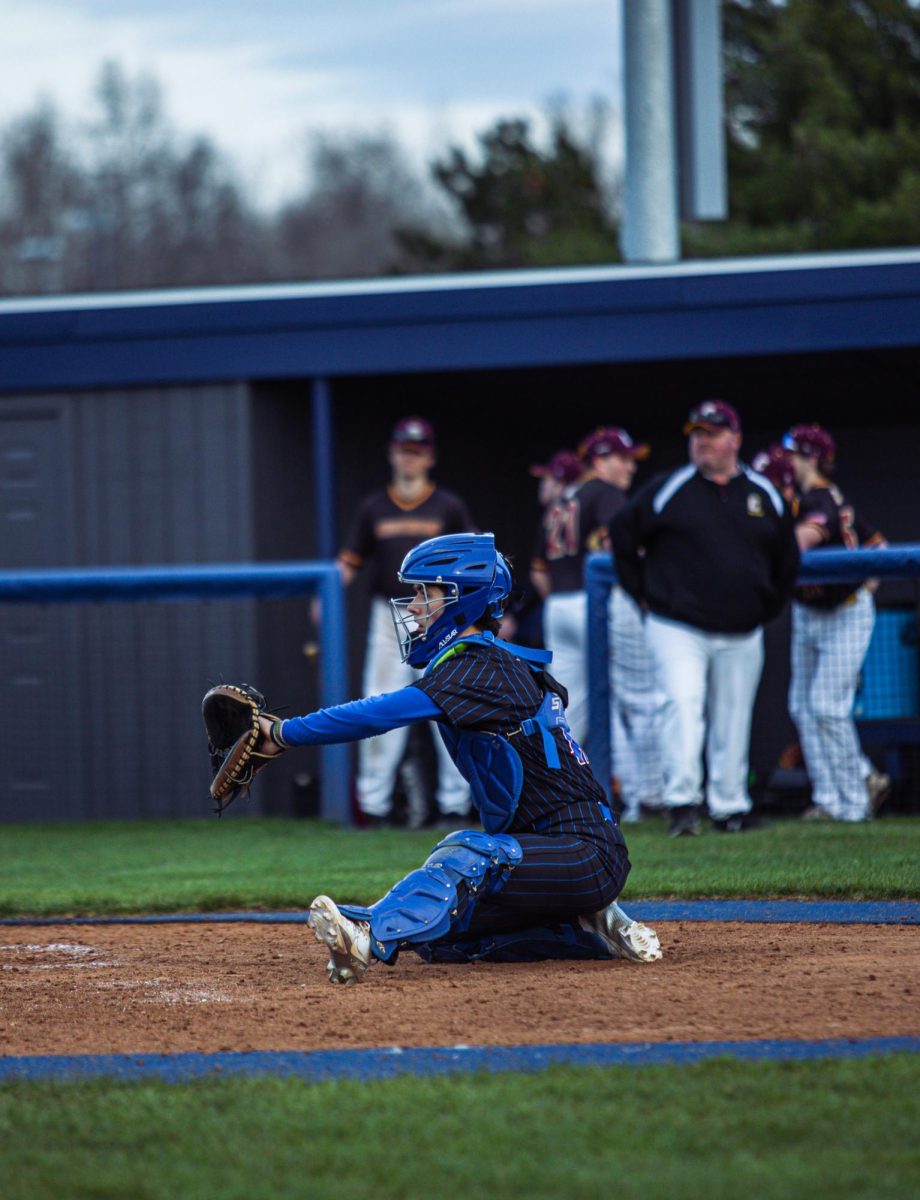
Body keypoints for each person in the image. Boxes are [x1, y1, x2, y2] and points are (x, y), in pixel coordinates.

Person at [256, 532, 662, 984]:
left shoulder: (478, 667)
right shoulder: (472, 664)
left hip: (584, 852)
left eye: (424, 593)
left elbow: (378, 713)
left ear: (462, 600)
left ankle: (367, 931)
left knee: (465, 852)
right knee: (439, 936)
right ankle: (590, 930)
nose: (412, 607)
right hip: (547, 855)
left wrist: (282, 733)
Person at [611, 400, 801, 837]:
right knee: (681, 703)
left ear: (734, 439)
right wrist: (643, 594)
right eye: (696, 434)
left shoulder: (763, 491)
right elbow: (622, 533)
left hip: (742, 628)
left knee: (733, 717)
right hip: (677, 625)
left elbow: (786, 557)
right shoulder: (670, 487)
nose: (702, 442)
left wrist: (766, 605)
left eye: (712, 434)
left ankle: (730, 806)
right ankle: (682, 805)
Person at [337, 416, 475, 828]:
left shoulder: (447, 506)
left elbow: (472, 562)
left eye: (416, 451)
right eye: (403, 450)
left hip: (439, 612)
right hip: (389, 612)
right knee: (379, 705)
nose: (409, 458)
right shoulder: (373, 506)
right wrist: (320, 600)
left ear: (429, 457)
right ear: (392, 453)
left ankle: (454, 805)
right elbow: (347, 563)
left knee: (452, 706)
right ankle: (373, 808)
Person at [783, 423, 889, 821]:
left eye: (793, 455)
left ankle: (854, 803)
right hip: (810, 611)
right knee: (802, 706)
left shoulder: (819, 496)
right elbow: (877, 544)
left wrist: (862, 589)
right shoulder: (813, 498)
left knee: (826, 705)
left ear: (809, 457)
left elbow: (802, 540)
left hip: (844, 611)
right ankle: (831, 795)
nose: (789, 463)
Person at [531, 427, 651, 748]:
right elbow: (617, 547)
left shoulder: (561, 500)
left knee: (565, 708)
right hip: (594, 602)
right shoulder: (605, 492)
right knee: (628, 700)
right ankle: (637, 795)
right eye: (623, 459)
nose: (631, 467)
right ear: (599, 461)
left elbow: (538, 572)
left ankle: (549, 786)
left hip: (557, 606)